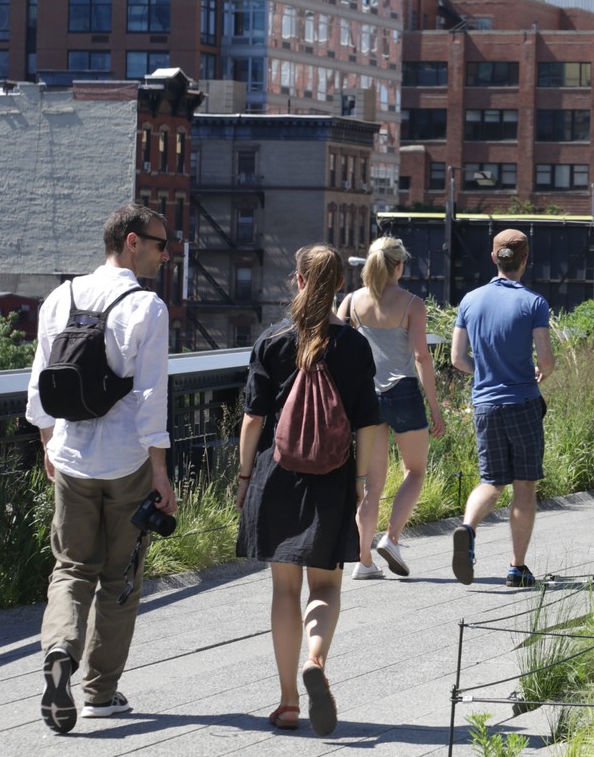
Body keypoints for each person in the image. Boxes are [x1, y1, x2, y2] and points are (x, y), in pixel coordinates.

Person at [25, 203, 177, 734]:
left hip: (71, 458)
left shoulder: (60, 297)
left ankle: (59, 651)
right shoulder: (147, 307)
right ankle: (99, 692)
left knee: (71, 568)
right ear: (132, 241)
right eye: (160, 244)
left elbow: (40, 383)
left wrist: (49, 444)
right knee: (120, 578)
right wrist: (160, 472)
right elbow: (152, 398)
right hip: (127, 460)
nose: (165, 254)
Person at [235, 244, 385, 736]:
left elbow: (253, 419)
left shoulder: (272, 340)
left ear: (298, 281)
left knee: (284, 589)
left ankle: (287, 702)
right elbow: (367, 423)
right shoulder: (355, 346)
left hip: (276, 475)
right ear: (341, 283)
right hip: (331, 476)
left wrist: (244, 479)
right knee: (325, 587)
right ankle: (315, 661)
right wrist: (360, 482)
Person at [450, 228, 555, 588]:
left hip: (485, 405)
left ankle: (467, 528)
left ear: (494, 258)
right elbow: (546, 359)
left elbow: (457, 358)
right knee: (524, 486)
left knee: (491, 482)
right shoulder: (534, 302)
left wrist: (485, 371)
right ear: (525, 259)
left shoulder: (470, 301)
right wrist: (541, 370)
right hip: (522, 402)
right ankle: (516, 567)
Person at [336, 237, 444, 579]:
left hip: (366, 398)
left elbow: (335, 347)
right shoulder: (412, 304)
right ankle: (392, 538)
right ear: (398, 265)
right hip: (404, 393)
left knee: (372, 485)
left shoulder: (352, 302)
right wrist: (435, 407)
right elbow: (421, 357)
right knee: (415, 470)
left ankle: (364, 561)